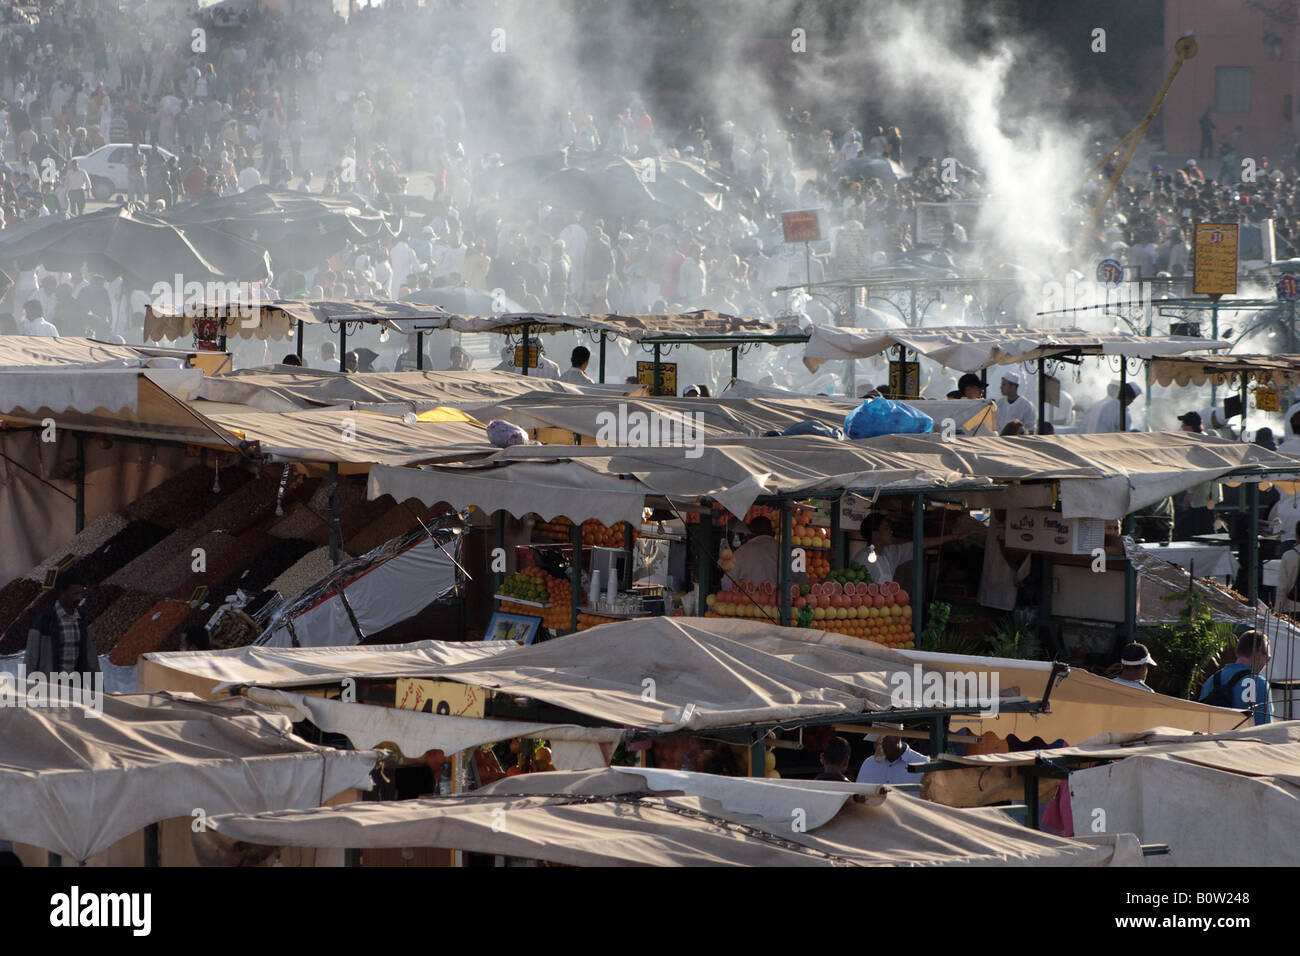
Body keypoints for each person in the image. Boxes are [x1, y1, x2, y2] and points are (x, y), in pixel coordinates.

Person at [852, 513, 975, 585]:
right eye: (886, 528)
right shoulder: (861, 560)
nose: (891, 531)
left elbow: (922, 544)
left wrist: (954, 537)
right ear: (875, 534)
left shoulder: (889, 553)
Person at [24, 573, 100, 681]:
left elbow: (91, 660)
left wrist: (99, 692)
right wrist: (29, 691)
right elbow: (31, 660)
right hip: (50, 687)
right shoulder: (44, 621)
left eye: (81, 593)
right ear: (61, 593)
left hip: (75, 686)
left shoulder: (80, 620)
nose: (79, 597)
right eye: (75, 593)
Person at [1197, 630, 1272, 725]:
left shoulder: (1211, 680)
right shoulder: (1259, 683)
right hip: (1241, 739)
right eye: (1268, 658)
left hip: (1210, 738)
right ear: (1258, 656)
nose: (1266, 663)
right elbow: (1264, 727)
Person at [725, 516, 780, 586]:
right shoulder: (784, 551)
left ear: (751, 533)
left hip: (747, 596)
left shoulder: (741, 551)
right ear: (772, 533)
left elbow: (727, 582)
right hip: (780, 596)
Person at [856, 732, 927, 785]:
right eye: (875, 742)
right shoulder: (868, 763)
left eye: (881, 741)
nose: (877, 746)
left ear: (897, 737)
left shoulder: (924, 764)